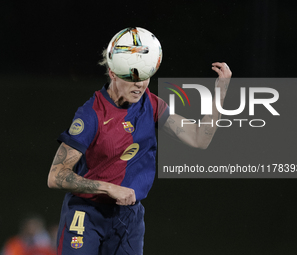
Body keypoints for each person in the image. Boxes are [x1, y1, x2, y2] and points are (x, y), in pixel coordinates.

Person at [47, 28, 232, 255]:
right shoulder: (91, 114)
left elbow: (199, 138)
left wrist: (221, 92)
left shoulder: (151, 105)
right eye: (131, 77)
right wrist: (110, 189)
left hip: (128, 218)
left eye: (145, 75)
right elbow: (56, 175)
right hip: (86, 214)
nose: (140, 85)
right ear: (112, 73)